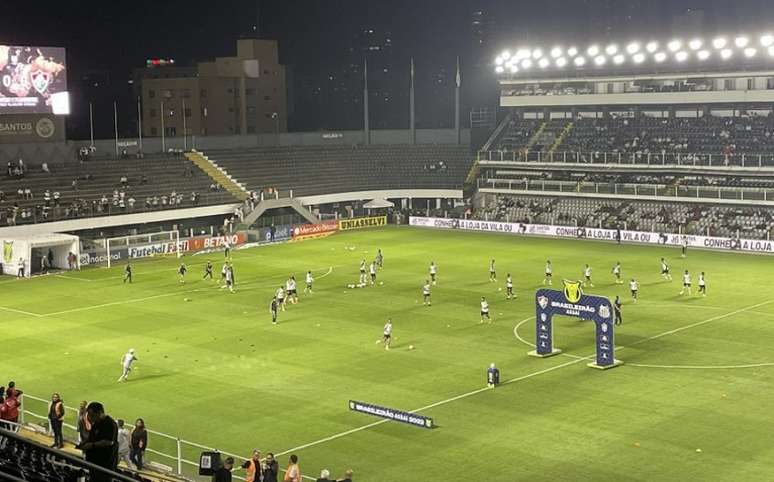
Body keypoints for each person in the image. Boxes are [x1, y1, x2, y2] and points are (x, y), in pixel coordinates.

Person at [77, 402, 118, 482]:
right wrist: (84, 443)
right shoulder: (96, 422)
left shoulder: (110, 424)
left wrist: (91, 445)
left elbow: (109, 442)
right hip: (94, 463)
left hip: (104, 465)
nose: (89, 417)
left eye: (91, 415)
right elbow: (93, 437)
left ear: (99, 413)